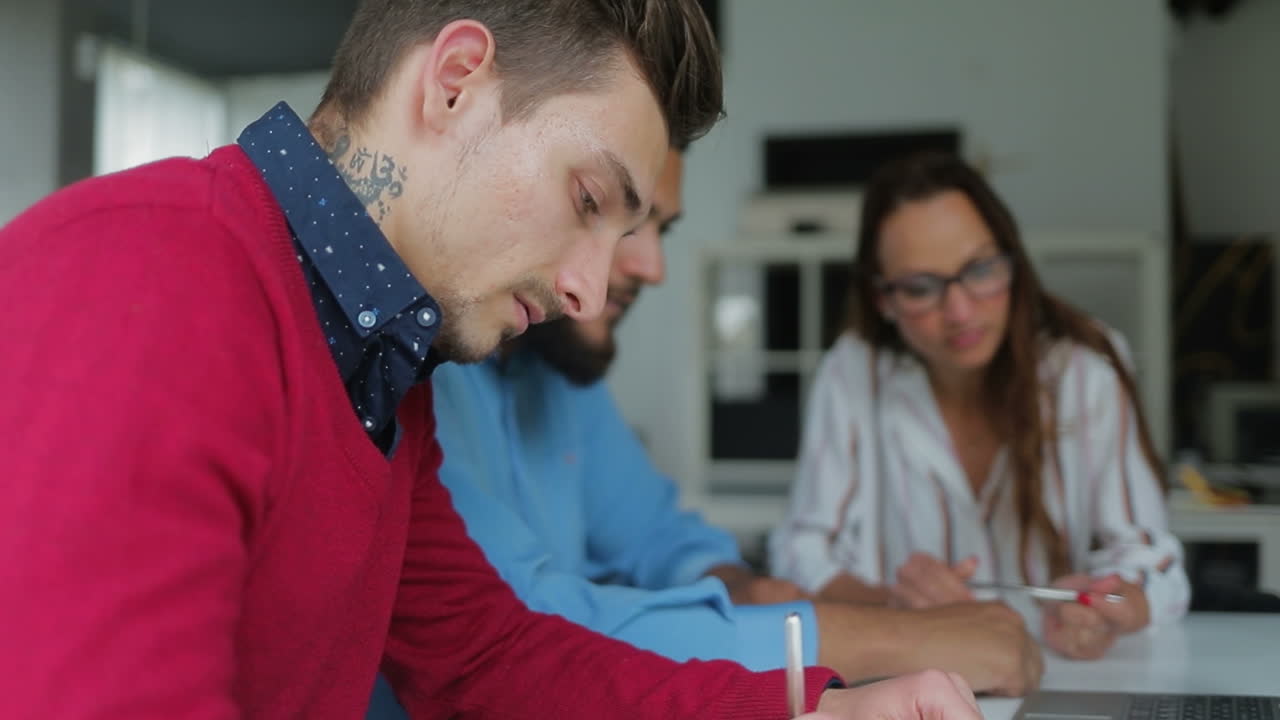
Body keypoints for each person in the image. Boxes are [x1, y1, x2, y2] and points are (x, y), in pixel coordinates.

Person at [0, 2, 987, 718]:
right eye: (589, 202)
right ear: (455, 81)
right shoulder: (149, 268)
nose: (590, 294)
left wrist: (815, 708)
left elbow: (486, 661)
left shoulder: (386, 372)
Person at [366, 144, 1042, 719]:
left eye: (659, 227)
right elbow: (517, 635)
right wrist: (889, 643)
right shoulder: (404, 374)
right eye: (616, 217)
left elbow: (658, 534)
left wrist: (735, 585)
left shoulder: (556, 371)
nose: (652, 267)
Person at [769, 152, 1190, 662]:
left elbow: (1152, 561)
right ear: (882, 299)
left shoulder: (1085, 370)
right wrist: (893, 605)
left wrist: (1114, 604)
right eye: (921, 288)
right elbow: (799, 552)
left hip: (1061, 673)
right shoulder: (852, 372)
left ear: (1013, 261)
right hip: (910, 681)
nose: (960, 310)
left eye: (981, 269)